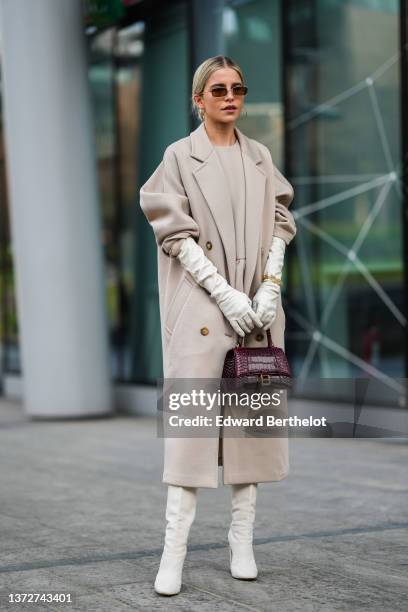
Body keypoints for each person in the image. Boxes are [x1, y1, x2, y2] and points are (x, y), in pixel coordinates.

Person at [139, 55, 297, 596]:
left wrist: (270, 284)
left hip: (255, 311)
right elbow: (173, 232)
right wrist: (223, 293)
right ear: (198, 99)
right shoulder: (179, 157)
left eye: (238, 88)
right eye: (218, 89)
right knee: (190, 437)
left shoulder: (259, 156)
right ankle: (173, 553)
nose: (231, 97)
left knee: (250, 438)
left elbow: (281, 220)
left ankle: (241, 542)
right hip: (204, 313)